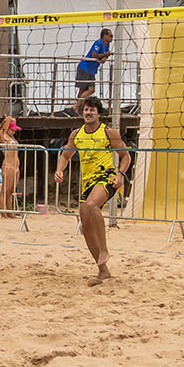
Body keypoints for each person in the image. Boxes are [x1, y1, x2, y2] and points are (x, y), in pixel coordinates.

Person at [54, 97, 130, 285]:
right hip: (87, 183)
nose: (88, 113)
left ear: (98, 114)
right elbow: (65, 156)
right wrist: (59, 170)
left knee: (92, 204)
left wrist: (120, 175)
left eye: (92, 110)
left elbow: (126, 156)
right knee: (86, 227)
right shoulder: (76, 134)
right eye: (86, 110)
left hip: (107, 178)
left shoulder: (109, 132)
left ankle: (104, 249)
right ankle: (103, 271)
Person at [74, 28, 114, 113]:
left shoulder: (107, 45)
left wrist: (105, 56)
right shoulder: (98, 43)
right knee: (83, 89)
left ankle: (79, 106)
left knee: (91, 90)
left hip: (92, 70)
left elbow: (103, 57)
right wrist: (105, 55)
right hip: (85, 67)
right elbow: (94, 54)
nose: (112, 38)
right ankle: (77, 107)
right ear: (104, 36)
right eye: (110, 36)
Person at [0, 115, 22, 217]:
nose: (14, 132)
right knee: (4, 190)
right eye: (12, 130)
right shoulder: (3, 136)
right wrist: (8, 118)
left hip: (16, 166)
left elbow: (13, 120)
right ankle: (3, 212)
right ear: (7, 129)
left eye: (15, 130)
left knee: (10, 191)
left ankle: (10, 212)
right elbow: (7, 122)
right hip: (8, 165)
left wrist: (13, 120)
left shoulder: (11, 138)